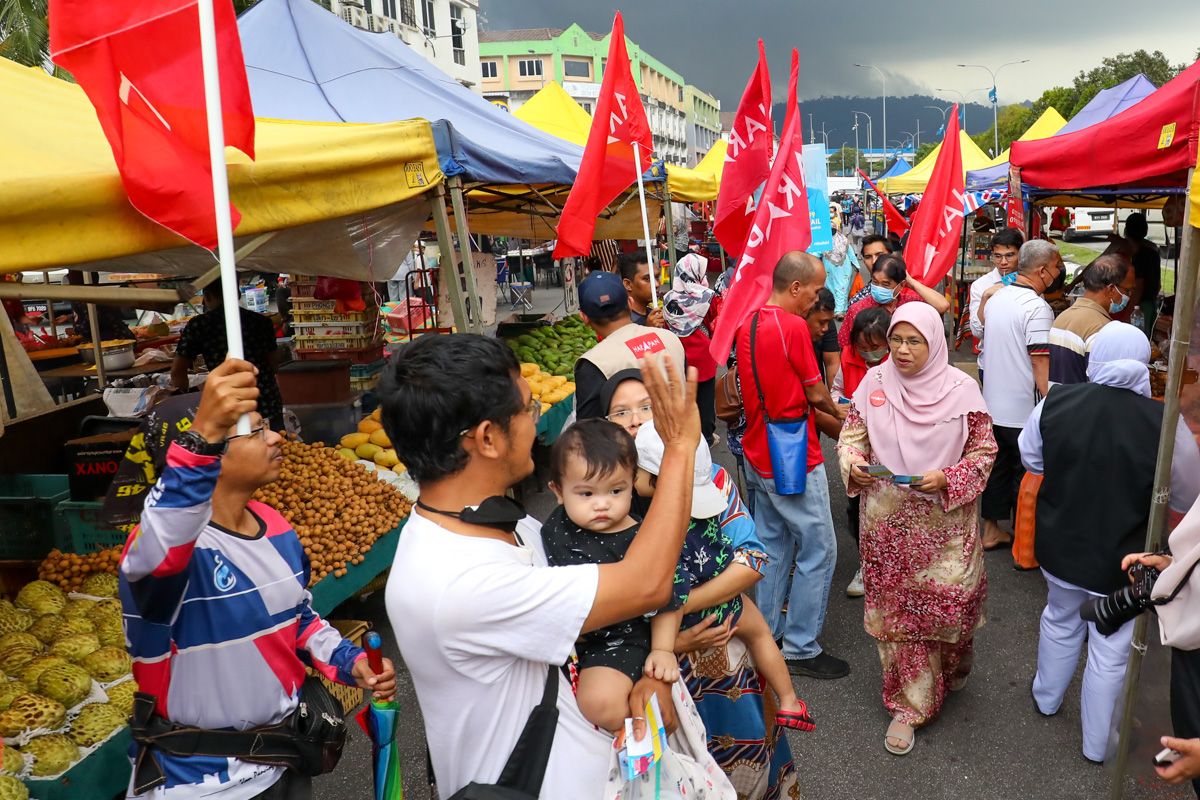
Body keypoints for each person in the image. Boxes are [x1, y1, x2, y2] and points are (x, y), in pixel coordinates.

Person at [379, 335, 700, 797]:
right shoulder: (460, 581)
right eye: (527, 411)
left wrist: (650, 668)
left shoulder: (498, 525)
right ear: (488, 437)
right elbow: (646, 584)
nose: (536, 425)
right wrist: (681, 449)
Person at [119, 359, 397, 799]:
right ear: (210, 454)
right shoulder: (161, 554)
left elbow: (298, 616)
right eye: (254, 431)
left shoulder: (275, 525)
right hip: (201, 786)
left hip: (282, 762)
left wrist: (349, 661)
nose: (275, 437)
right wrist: (205, 433)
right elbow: (167, 537)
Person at [601, 371, 799, 798]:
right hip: (657, 675)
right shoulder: (598, 506)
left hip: (726, 659)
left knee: (748, 764)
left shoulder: (708, 479)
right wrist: (672, 643)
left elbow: (753, 560)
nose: (635, 421)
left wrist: (680, 603)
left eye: (646, 408)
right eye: (621, 412)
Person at [1020, 322, 1200, 763]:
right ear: (1142, 363)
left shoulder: (1056, 400)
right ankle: (1096, 746)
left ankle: (1046, 698)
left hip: (1060, 538)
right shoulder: (1163, 421)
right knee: (1111, 646)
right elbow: (1186, 492)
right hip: (1125, 555)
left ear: (1094, 360)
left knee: (1059, 617)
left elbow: (1032, 458)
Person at [837, 302, 997, 756]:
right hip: (887, 525)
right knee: (900, 620)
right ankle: (909, 706)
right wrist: (856, 466)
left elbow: (983, 454)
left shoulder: (963, 390)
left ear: (935, 342)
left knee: (949, 607)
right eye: (896, 340)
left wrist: (949, 477)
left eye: (914, 341)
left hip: (944, 526)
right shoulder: (875, 382)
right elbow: (851, 438)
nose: (902, 351)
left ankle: (952, 666)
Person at [633, 426, 816, 734]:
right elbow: (745, 557)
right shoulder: (705, 503)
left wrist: (677, 617)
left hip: (674, 613)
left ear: (655, 479)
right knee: (760, 634)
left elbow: (753, 560)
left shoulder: (654, 528)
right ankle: (789, 701)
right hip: (728, 606)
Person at [736, 251, 850, 679]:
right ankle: (801, 645)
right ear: (796, 287)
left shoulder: (748, 322)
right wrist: (847, 417)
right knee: (819, 549)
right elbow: (817, 393)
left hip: (756, 447)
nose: (818, 298)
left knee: (772, 544)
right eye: (817, 290)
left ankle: (765, 634)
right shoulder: (792, 327)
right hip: (792, 452)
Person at [976, 239, 1062, 551]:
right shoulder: (1036, 307)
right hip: (1022, 409)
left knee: (998, 468)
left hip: (993, 404)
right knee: (1023, 474)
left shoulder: (999, 298)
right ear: (1042, 270)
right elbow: (1040, 360)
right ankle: (1022, 543)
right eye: (1056, 267)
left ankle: (990, 531)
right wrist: (1052, 403)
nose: (1059, 272)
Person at [832, 306, 891, 599]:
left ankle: (895, 567)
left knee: (896, 506)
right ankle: (866, 566)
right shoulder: (847, 358)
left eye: (875, 347)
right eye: (862, 347)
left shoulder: (901, 360)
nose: (867, 353)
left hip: (893, 450)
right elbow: (835, 390)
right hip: (861, 448)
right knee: (857, 507)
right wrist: (838, 405)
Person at [172, 280, 284, 432]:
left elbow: (178, 371)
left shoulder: (199, 325)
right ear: (237, 293)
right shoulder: (261, 321)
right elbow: (273, 364)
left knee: (235, 450)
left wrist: (182, 404)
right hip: (266, 400)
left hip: (229, 405)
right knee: (276, 447)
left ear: (208, 296)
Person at [573, 271, 685, 421]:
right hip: (684, 437)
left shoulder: (593, 363)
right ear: (630, 303)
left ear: (584, 318)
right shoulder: (669, 338)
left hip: (631, 444)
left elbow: (590, 430)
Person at [1048, 255, 1135, 385]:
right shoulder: (1102, 329)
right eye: (1128, 291)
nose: (1129, 297)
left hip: (1060, 402)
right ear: (1111, 289)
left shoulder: (1063, 317)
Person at [839, 253, 950, 352]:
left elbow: (942, 306)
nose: (879, 288)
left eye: (885, 284)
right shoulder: (858, 308)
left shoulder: (911, 303)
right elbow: (844, 346)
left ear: (901, 285)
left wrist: (912, 283)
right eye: (875, 282)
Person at [663, 252, 719, 445]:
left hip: (678, 356)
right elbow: (713, 320)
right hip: (703, 357)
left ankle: (684, 435)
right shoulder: (708, 297)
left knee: (682, 399)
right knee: (704, 401)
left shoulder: (669, 297)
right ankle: (706, 437)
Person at [968, 227, 1025, 363]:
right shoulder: (981, 285)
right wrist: (985, 298)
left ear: (1020, 254)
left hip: (1023, 361)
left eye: (1010, 255)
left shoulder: (1029, 281)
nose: (1003, 262)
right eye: (998, 256)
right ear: (992, 255)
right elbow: (977, 332)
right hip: (991, 362)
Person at [820, 214, 863, 316]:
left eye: (833, 228)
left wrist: (856, 265)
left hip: (844, 268)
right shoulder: (823, 241)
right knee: (830, 288)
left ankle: (840, 311)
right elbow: (817, 253)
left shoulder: (843, 240)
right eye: (830, 228)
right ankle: (835, 309)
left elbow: (851, 253)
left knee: (842, 288)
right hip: (829, 269)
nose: (832, 230)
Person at [1125, 212, 1161, 336]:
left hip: (1140, 307)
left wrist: (1128, 312)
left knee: (1138, 339)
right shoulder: (1153, 250)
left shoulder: (1139, 255)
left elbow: (1139, 287)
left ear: (1126, 231)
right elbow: (1158, 284)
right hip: (1151, 302)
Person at [806, 288, 841, 391]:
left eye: (828, 322)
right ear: (805, 313)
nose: (826, 328)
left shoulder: (828, 324)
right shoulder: (787, 331)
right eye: (821, 322)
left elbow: (832, 363)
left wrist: (834, 398)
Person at [619, 251, 665, 328]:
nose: (657, 284)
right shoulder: (621, 322)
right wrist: (648, 329)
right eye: (647, 279)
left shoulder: (654, 315)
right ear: (628, 284)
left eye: (657, 277)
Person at [847, 235, 893, 307]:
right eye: (868, 257)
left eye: (879, 255)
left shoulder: (909, 292)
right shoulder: (857, 303)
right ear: (864, 261)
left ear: (891, 256)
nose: (874, 261)